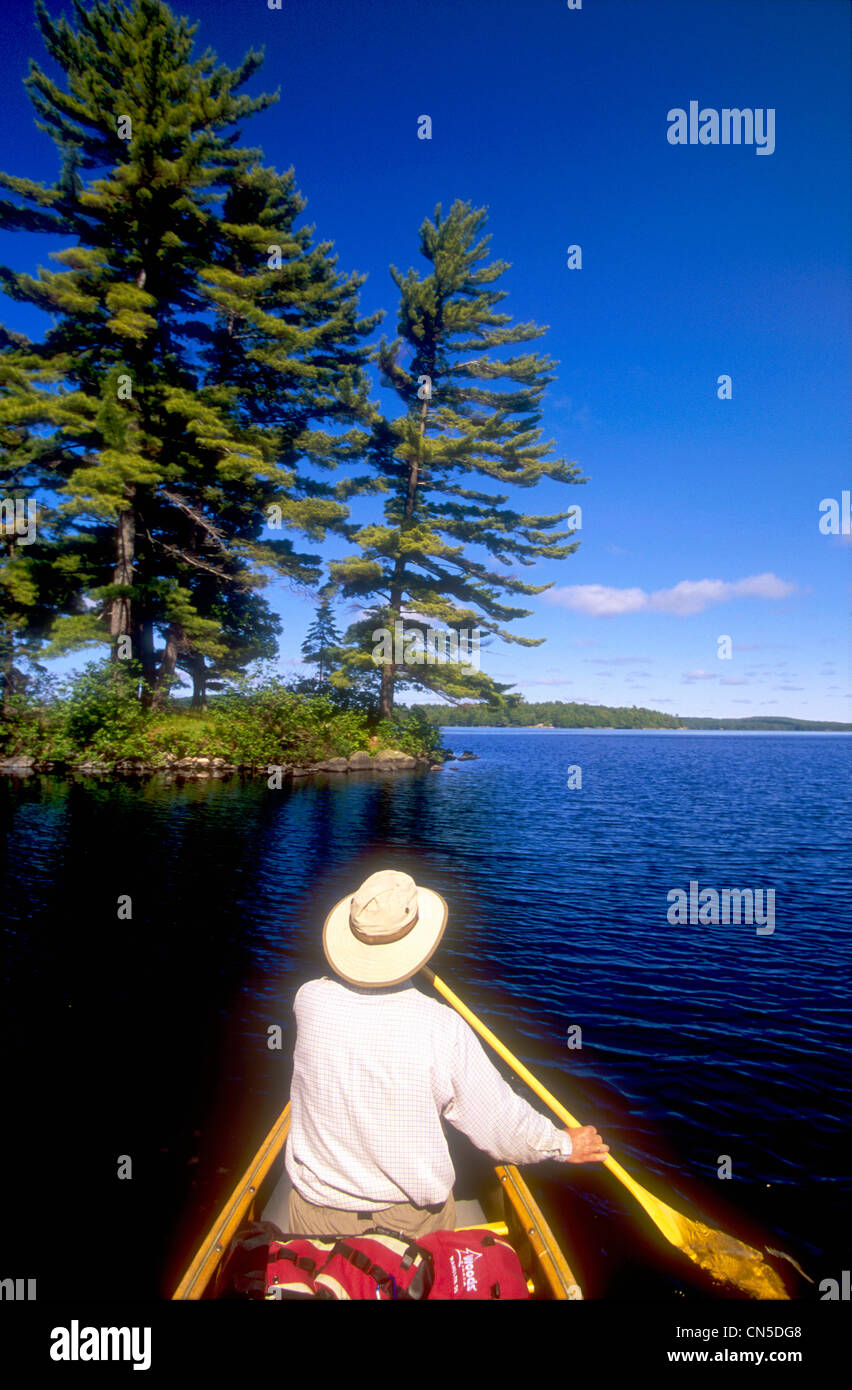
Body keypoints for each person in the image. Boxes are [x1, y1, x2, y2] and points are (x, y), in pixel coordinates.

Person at [285, 870, 609, 1238]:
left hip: (315, 1213)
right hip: (407, 1223)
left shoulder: (309, 999)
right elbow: (501, 1126)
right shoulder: (442, 1028)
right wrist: (564, 1144)